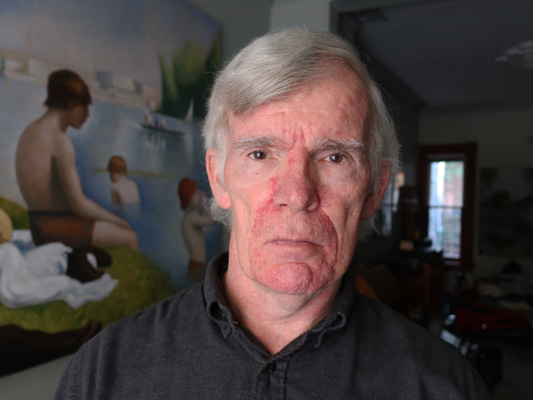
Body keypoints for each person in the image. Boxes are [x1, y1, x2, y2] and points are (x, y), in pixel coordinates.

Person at [54, 30, 489, 399]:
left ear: (374, 189)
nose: (297, 195)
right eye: (260, 154)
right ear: (218, 178)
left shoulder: (443, 385)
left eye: (335, 157)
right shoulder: (104, 373)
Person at [16, 70, 138, 282]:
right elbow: (79, 204)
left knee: (105, 246)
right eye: (85, 107)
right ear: (71, 104)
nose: (88, 114)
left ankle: (82, 254)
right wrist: (119, 221)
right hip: (56, 229)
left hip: (38, 225)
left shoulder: (30, 131)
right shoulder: (60, 141)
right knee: (130, 237)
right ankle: (132, 283)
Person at [177, 177, 215, 283]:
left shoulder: (192, 215)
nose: (199, 193)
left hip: (198, 264)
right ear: (189, 197)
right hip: (196, 265)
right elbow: (211, 221)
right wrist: (203, 203)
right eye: (195, 192)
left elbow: (206, 216)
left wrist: (203, 206)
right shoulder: (190, 218)